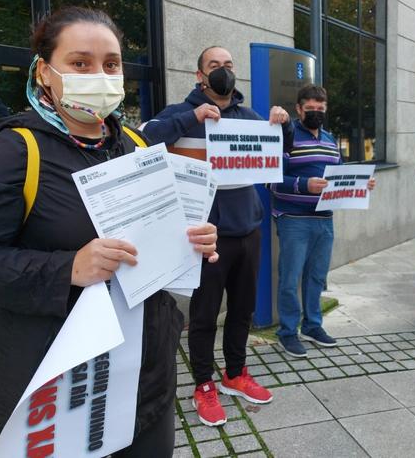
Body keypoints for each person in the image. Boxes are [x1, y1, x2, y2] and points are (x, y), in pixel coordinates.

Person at [0, 7, 218, 457]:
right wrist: (69, 268)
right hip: (61, 383)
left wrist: (193, 240)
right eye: (80, 63)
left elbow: (156, 233)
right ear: (45, 73)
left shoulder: (136, 144)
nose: (99, 75)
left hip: (146, 378)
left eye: (111, 64)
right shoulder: (14, 150)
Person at [143, 46, 293, 427]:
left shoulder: (248, 116)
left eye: (228, 65)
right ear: (200, 75)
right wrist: (192, 116)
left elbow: (280, 153)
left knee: (242, 310)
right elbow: (144, 140)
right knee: (206, 315)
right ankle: (203, 384)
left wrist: (284, 124)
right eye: (214, 66)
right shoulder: (180, 114)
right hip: (206, 236)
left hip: (248, 229)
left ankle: (235, 374)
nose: (223, 71)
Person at [269, 84, 375, 358]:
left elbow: (338, 175)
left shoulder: (329, 139)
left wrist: (361, 184)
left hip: (324, 219)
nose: (316, 113)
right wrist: (305, 185)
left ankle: (312, 326)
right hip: (293, 219)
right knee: (291, 280)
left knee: (317, 277)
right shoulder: (285, 135)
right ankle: (288, 333)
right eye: (310, 109)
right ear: (298, 109)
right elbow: (271, 181)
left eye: (320, 109)